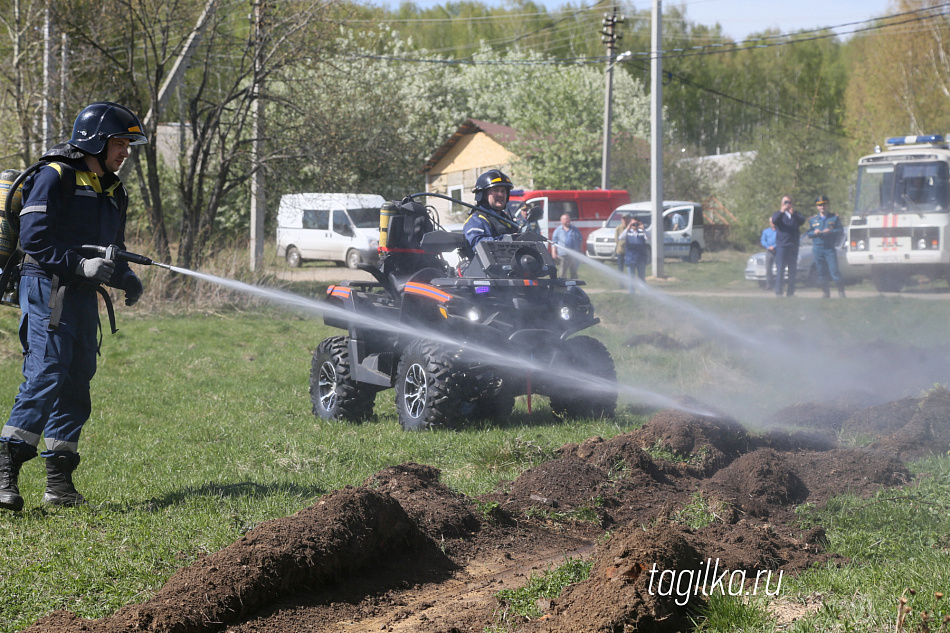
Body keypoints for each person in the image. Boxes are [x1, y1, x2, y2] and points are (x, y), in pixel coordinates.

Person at [0, 102, 147, 511]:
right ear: (96, 140)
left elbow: (110, 251)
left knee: (77, 380)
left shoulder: (115, 191)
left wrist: (125, 278)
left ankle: (59, 484)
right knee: (47, 372)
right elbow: (34, 239)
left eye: (129, 145)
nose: (126, 152)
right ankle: (5, 470)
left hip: (81, 295)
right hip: (46, 285)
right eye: (121, 143)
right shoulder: (55, 175)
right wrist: (80, 264)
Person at [463, 169, 520, 253]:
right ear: (483, 195)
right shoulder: (477, 220)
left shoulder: (506, 220)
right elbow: (478, 244)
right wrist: (507, 240)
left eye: (503, 191)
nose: (500, 195)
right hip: (484, 266)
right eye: (495, 190)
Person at [806, 194, 846, 298]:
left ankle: (841, 292)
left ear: (827, 205)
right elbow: (809, 233)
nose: (822, 207)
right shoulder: (813, 220)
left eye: (824, 204)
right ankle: (825, 292)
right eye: (820, 205)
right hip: (818, 248)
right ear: (817, 207)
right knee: (821, 271)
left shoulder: (834, 218)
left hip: (829, 248)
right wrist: (815, 232)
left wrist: (831, 231)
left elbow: (840, 231)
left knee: (834, 271)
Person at [770, 194, 805, 297]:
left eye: (789, 202)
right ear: (782, 204)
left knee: (792, 270)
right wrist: (782, 211)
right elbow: (774, 220)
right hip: (782, 246)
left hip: (793, 246)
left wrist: (793, 214)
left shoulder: (795, 215)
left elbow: (802, 220)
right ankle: (779, 291)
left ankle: (791, 292)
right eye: (785, 202)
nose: (788, 205)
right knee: (780, 269)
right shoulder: (779, 214)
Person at [550, 213, 583, 279]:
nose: (568, 220)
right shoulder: (558, 230)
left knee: (574, 271)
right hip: (563, 254)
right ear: (561, 220)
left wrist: (580, 251)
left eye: (568, 219)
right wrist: (553, 252)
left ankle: (574, 284)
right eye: (566, 219)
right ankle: (562, 285)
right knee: (563, 271)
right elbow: (553, 242)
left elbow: (580, 240)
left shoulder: (575, 230)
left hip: (574, 254)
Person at [623, 219, 650, 290]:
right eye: (633, 224)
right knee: (631, 277)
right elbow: (620, 237)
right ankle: (632, 293)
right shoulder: (627, 232)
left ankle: (643, 292)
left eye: (636, 224)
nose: (635, 226)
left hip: (640, 258)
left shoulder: (642, 232)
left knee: (641, 277)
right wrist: (627, 228)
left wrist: (644, 229)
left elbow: (649, 237)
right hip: (630, 258)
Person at [760, 219, 777, 288]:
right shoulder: (766, 231)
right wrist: (768, 246)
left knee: (779, 268)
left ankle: (779, 284)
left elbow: (781, 240)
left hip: (777, 251)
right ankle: (769, 284)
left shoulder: (780, 231)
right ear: (770, 223)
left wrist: (774, 246)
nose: (773, 223)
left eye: (774, 222)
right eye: (772, 222)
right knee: (768, 268)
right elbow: (763, 240)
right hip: (769, 251)